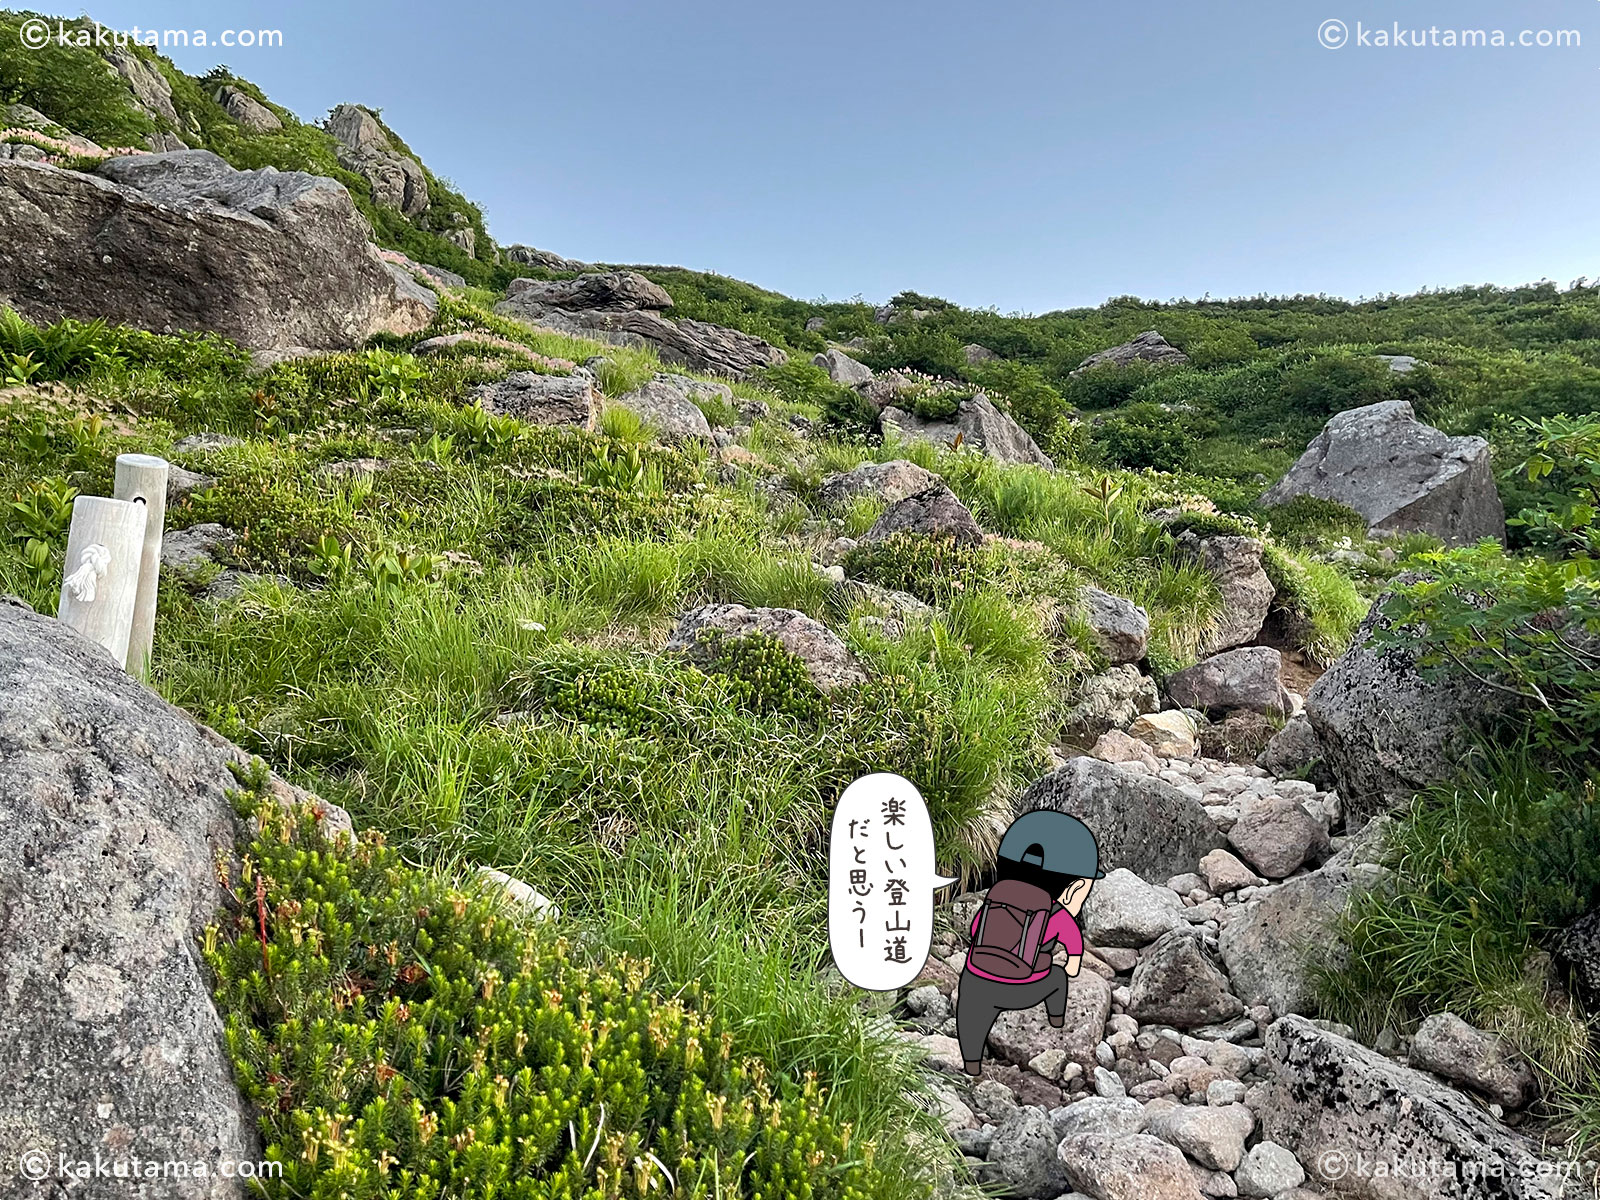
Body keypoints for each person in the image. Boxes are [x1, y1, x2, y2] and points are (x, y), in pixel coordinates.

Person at [955, 809, 1102, 1076]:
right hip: (1020, 986)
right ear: (1072, 891)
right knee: (1057, 977)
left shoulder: (995, 896)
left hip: (975, 978)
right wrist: (1072, 964)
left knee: (970, 1018)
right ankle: (1056, 1019)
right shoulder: (1056, 912)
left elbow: (976, 930)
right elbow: (1073, 945)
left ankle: (972, 1064)